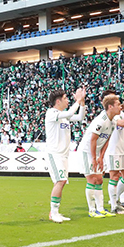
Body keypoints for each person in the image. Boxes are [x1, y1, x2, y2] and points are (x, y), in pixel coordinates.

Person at [79, 94, 124, 217]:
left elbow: (106, 140)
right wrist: (94, 157)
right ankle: (92, 210)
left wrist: (101, 157)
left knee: (100, 179)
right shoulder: (101, 120)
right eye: (118, 104)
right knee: (92, 179)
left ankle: (100, 208)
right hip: (87, 151)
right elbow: (93, 140)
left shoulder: (112, 121)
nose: (121, 107)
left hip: (96, 152)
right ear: (110, 106)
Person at [43, 87, 86, 223]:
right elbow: (69, 113)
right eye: (66, 98)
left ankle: (55, 212)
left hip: (63, 155)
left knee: (61, 182)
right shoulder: (51, 113)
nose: (68, 100)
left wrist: (82, 102)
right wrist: (78, 101)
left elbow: (80, 117)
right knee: (60, 181)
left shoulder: (64, 116)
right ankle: (53, 212)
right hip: (54, 154)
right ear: (58, 101)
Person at [104, 101, 124, 214]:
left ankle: (115, 199)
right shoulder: (110, 117)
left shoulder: (121, 114)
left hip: (123, 150)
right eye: (118, 104)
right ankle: (114, 205)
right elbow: (123, 123)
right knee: (114, 176)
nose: (120, 105)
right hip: (113, 151)